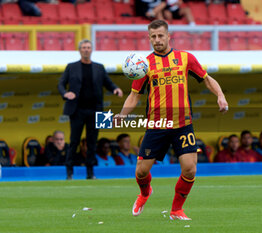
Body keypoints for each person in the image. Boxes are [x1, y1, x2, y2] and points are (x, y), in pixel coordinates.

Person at [114, 20, 228, 220]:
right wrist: (122, 115)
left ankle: (176, 210)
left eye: (160, 35)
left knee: (190, 169)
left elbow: (207, 78)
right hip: (157, 125)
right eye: (153, 36)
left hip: (183, 125)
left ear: (168, 36)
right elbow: (134, 95)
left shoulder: (185, 58)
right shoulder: (145, 64)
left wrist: (220, 95)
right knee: (141, 172)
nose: (157, 40)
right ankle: (145, 193)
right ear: (149, 38)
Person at [58, 39, 123, 179]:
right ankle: (69, 172)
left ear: (91, 49)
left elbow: (108, 82)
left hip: (96, 110)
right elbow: (61, 84)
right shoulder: (71, 66)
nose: (86, 49)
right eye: (84, 47)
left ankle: (90, 173)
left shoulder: (99, 67)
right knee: (74, 141)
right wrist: (65, 93)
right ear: (79, 50)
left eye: (88, 47)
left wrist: (115, 89)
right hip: (77, 110)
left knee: (92, 142)